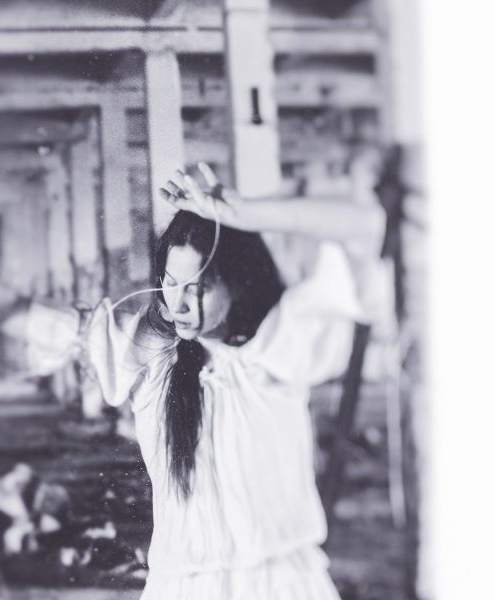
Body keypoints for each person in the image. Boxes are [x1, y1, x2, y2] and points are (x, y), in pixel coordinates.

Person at [54, 164, 383, 599]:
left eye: (199, 287)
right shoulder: (152, 362)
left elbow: (369, 227)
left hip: (281, 586)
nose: (179, 303)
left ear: (238, 284)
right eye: (171, 283)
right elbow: (49, 328)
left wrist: (245, 214)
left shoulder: (274, 354)